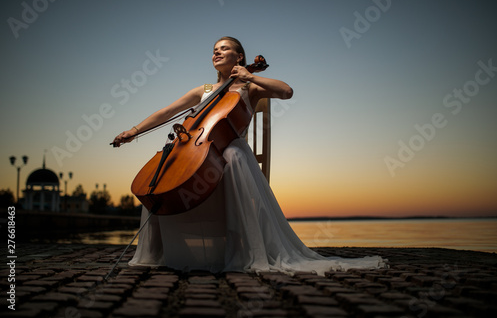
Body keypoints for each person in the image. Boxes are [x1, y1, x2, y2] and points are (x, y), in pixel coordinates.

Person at [112, 36, 386, 275]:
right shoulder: (203, 90)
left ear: (239, 56)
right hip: (197, 149)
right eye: (214, 50)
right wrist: (133, 131)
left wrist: (250, 76)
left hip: (230, 149)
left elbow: (286, 91)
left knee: (233, 156)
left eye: (224, 49)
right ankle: (160, 251)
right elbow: (166, 113)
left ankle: (241, 251)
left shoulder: (249, 87)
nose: (216, 53)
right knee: (162, 171)